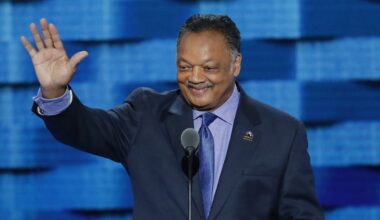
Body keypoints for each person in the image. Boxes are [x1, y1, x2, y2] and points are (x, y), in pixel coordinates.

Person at [21, 14, 324, 220]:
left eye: (208, 68)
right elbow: (82, 128)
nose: (195, 78)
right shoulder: (146, 115)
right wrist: (55, 91)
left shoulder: (282, 133)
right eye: (184, 66)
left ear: (236, 65)